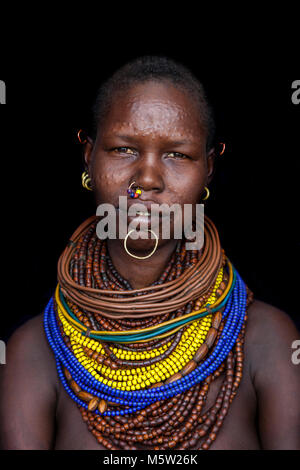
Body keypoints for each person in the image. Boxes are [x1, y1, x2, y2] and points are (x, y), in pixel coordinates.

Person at [0, 56, 299, 451]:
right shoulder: (36, 351)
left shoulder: (268, 340)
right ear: (88, 157)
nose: (147, 180)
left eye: (177, 155)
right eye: (124, 149)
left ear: (209, 168)